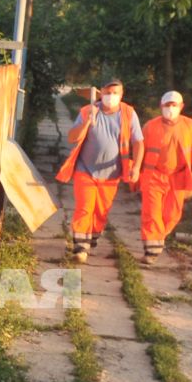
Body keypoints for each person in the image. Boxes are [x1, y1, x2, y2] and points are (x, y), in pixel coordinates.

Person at [54, 79, 142, 264]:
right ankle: (80, 246)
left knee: (101, 211)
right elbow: (72, 137)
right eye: (108, 92)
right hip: (85, 170)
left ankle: (92, 236)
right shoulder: (87, 111)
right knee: (85, 207)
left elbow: (138, 142)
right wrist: (87, 121)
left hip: (111, 174)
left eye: (115, 93)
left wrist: (136, 166)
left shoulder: (128, 113)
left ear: (121, 94)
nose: (111, 96)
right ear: (101, 93)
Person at [138, 89, 192, 260]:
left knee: (172, 215)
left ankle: (158, 238)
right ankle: (151, 251)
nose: (170, 108)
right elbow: (139, 150)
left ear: (181, 106)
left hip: (179, 177)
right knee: (152, 212)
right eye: (167, 105)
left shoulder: (191, 126)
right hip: (154, 176)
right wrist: (135, 170)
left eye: (174, 105)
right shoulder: (150, 126)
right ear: (161, 106)